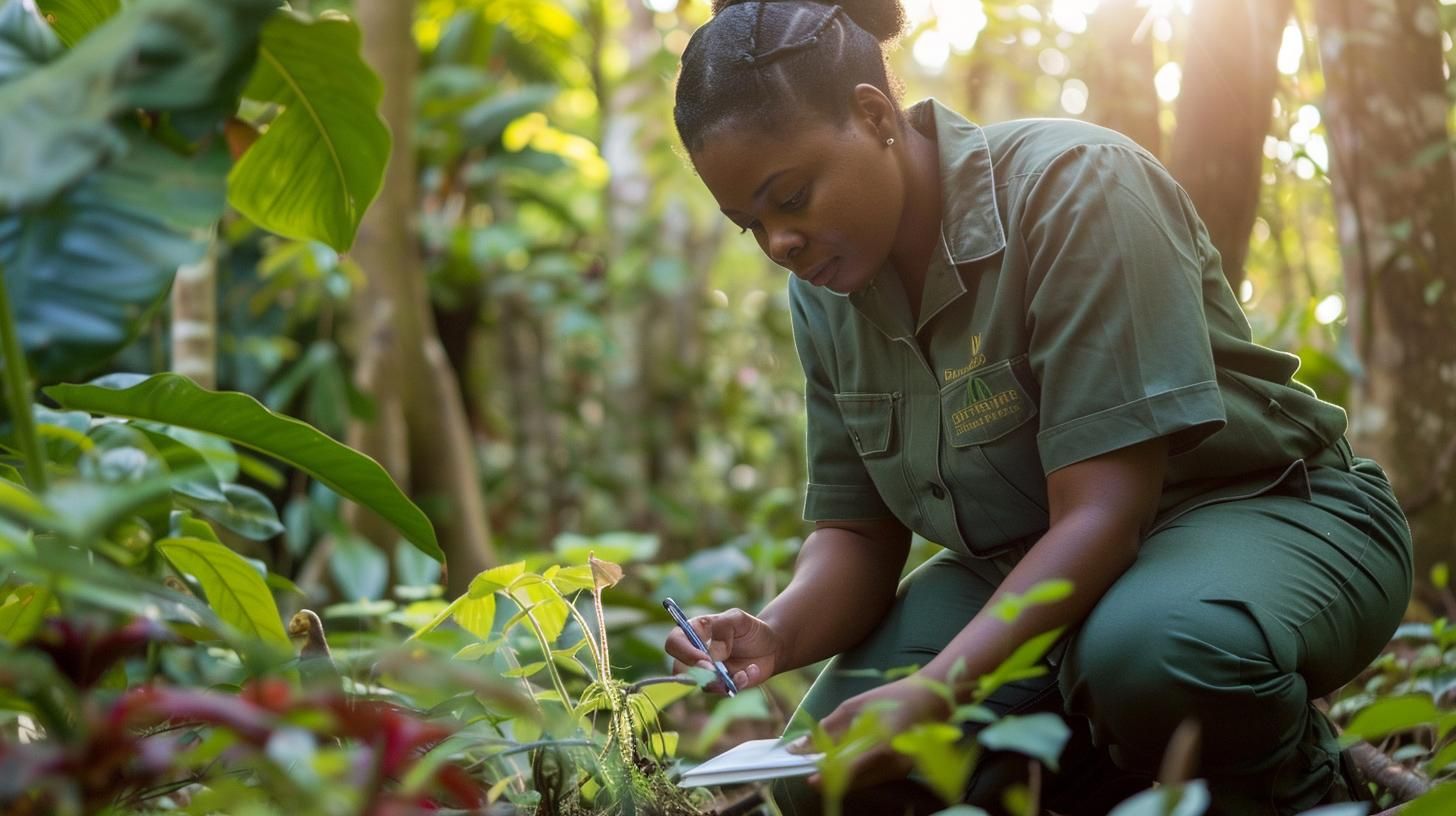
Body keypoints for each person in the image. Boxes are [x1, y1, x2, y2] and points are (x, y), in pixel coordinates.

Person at [661, 1, 1413, 813]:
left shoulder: (1074, 187)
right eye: (753, 226)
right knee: (823, 782)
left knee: (1152, 653)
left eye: (793, 197)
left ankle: (1304, 791)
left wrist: (940, 690)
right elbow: (857, 534)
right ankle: (1110, 776)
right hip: (1021, 568)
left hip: (1259, 511)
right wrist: (778, 633)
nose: (781, 243)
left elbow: (1101, 517)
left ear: (873, 113)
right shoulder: (828, 288)